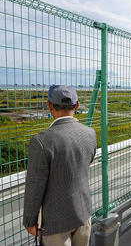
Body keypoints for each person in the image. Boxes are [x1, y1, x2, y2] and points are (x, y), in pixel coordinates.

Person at [23, 85, 97, 246]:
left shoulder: (41, 141)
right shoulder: (90, 133)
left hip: (55, 222)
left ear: (49, 105)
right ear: (76, 106)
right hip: (84, 212)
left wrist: (30, 221)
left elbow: (35, 187)